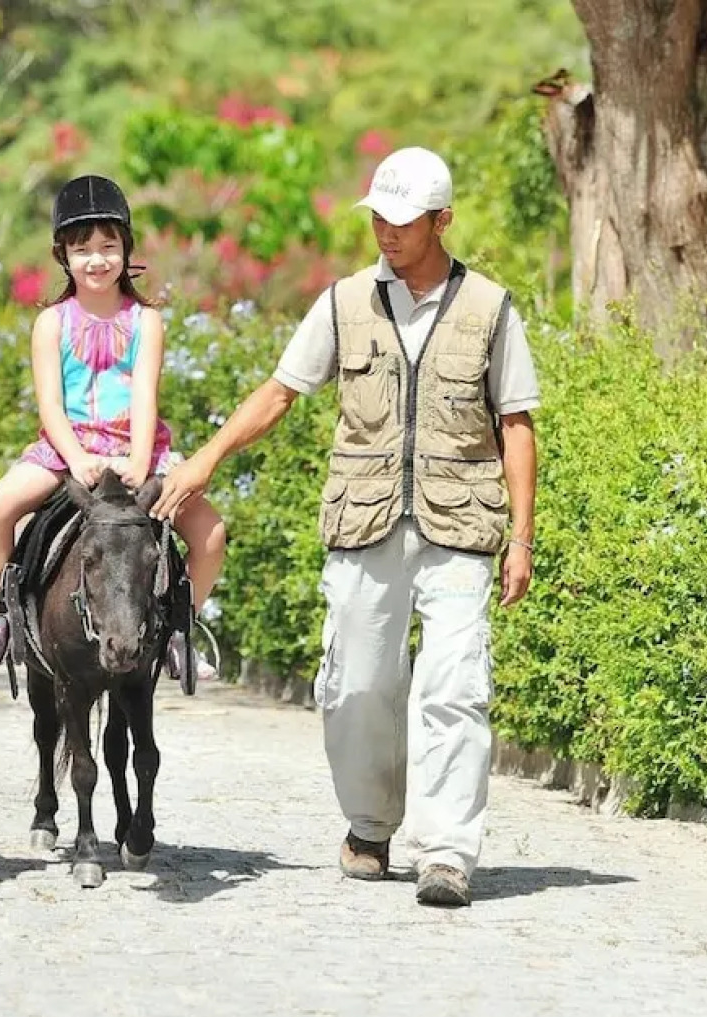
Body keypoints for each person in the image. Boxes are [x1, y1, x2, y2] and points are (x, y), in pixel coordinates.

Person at [152, 147, 540, 907]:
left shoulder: (490, 308)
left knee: (454, 689)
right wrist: (204, 459)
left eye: (402, 222)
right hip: (363, 524)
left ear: (441, 220)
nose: (386, 234)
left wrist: (521, 538)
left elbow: (516, 424)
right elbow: (279, 392)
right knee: (357, 686)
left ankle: (446, 855)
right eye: (378, 220)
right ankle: (369, 826)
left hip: (460, 525)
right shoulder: (342, 302)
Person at [0, 174, 227, 678]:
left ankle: (182, 628)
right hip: (68, 452)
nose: (96, 260)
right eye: (82, 249)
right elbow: (51, 407)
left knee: (210, 532)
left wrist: (141, 462)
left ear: (126, 248)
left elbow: (145, 393)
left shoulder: (147, 321)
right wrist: (78, 459)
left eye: (108, 246)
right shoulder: (51, 322)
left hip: (137, 449)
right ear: (64, 256)